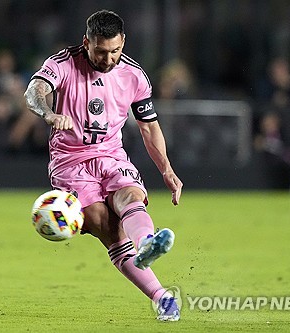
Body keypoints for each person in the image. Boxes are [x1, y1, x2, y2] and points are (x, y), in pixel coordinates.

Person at [24, 10, 183, 322]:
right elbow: (34, 92)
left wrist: (166, 169)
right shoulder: (63, 63)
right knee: (105, 224)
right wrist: (49, 114)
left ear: (123, 42)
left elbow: (149, 127)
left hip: (111, 155)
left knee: (130, 195)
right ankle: (161, 296)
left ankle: (148, 244)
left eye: (115, 51)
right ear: (87, 43)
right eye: (100, 51)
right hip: (70, 162)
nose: (108, 59)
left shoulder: (134, 76)